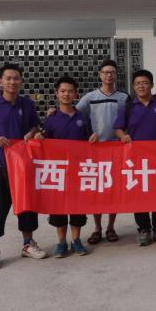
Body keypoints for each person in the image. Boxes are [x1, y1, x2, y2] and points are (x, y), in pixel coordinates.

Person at [0, 63, 47, 270]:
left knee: (26, 205)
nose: (12, 82)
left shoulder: (27, 104)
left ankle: (28, 244)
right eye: (8, 78)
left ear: (21, 81)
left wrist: (31, 133)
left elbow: (35, 125)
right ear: (0, 81)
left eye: (16, 78)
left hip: (23, 165)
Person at [115, 70, 156, 246]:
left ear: (151, 85)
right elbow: (118, 129)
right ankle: (144, 230)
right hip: (137, 160)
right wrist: (123, 136)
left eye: (145, 83)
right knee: (139, 195)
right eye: (138, 83)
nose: (141, 86)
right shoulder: (128, 107)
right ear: (133, 86)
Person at [35, 76, 98, 257]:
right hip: (58, 173)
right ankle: (61, 242)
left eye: (70, 91)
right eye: (63, 91)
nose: (66, 94)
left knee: (77, 208)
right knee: (59, 209)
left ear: (76, 94)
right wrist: (39, 137)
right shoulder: (51, 118)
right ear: (57, 93)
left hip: (78, 170)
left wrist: (94, 138)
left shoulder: (83, 117)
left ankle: (76, 240)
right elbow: (43, 139)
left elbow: (90, 139)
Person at [76, 60, 129, 245]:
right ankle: (97, 228)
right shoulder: (89, 97)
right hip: (95, 151)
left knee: (113, 190)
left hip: (116, 150)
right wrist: (53, 111)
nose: (109, 75)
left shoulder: (124, 98)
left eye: (112, 72)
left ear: (116, 75)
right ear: (100, 75)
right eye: (105, 72)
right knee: (97, 191)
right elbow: (74, 115)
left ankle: (111, 227)